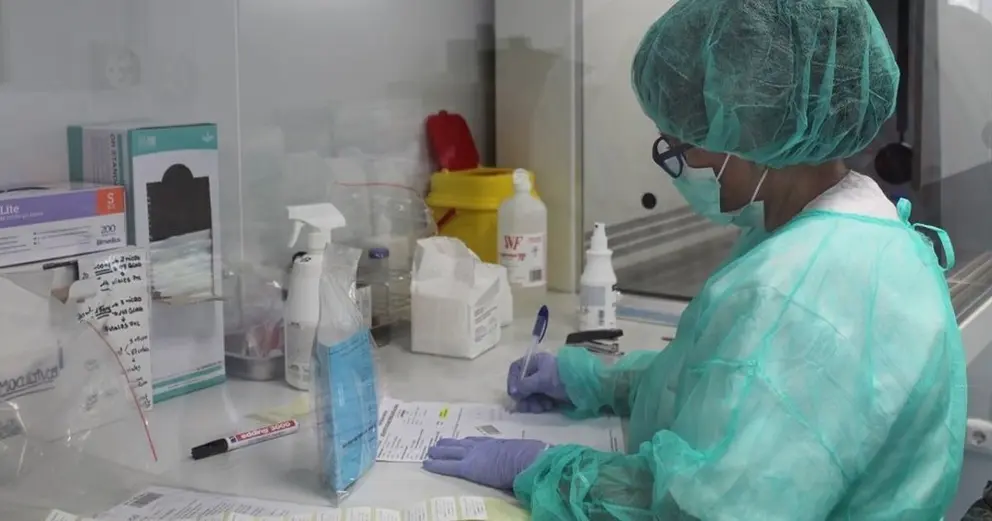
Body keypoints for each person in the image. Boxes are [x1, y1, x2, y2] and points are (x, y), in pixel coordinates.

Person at [421, 0, 967, 519]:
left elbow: (707, 510)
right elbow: (720, 382)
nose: (683, 161)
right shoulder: (820, 225)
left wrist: (545, 471)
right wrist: (596, 382)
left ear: (755, 125)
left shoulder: (806, 287)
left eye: (688, 140)